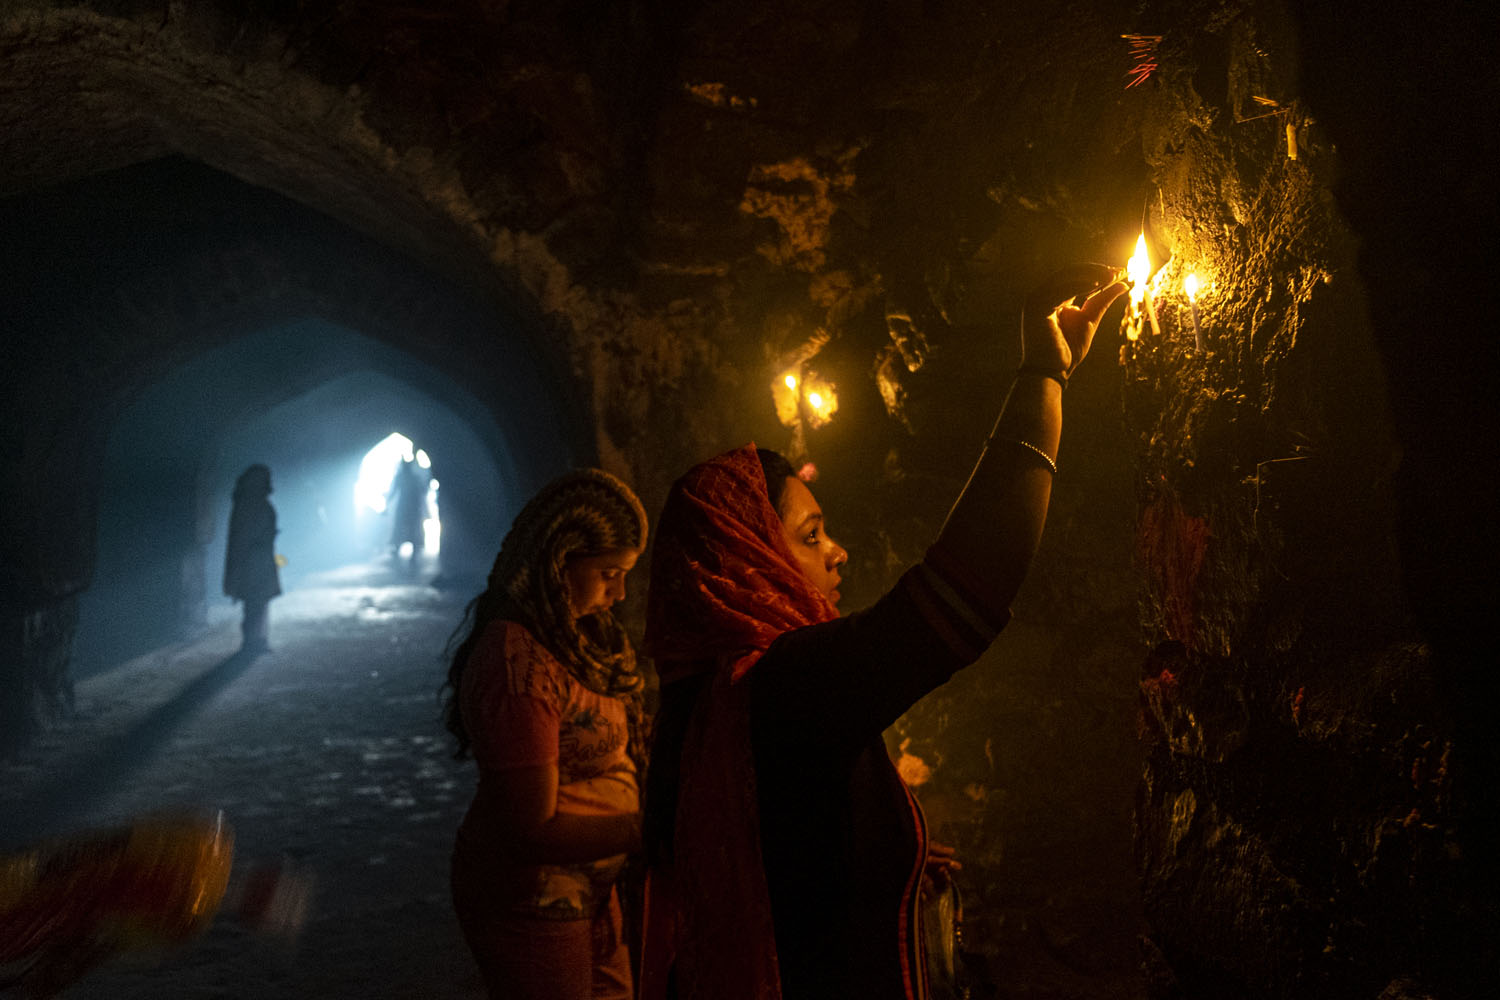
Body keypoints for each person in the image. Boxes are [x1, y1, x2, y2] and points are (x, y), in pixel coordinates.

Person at [638, 264, 1127, 999]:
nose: (838, 551)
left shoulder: (705, 706)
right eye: (809, 534)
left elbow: (793, 869)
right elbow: (962, 592)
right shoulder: (777, 690)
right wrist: (1042, 376)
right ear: (746, 565)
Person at [442, 469, 649, 1000]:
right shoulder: (518, 663)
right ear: (560, 562)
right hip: (531, 902)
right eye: (608, 573)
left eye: (626, 573)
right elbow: (529, 830)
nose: (620, 592)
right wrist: (652, 828)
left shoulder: (580, 639)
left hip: (590, 893)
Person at [222, 464, 280, 655]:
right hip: (252, 561)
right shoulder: (247, 503)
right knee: (254, 601)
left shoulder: (255, 502)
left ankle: (258, 639)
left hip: (260, 559)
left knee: (260, 601)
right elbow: (242, 535)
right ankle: (252, 641)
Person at [386, 456, 427, 567]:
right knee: (407, 530)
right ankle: (402, 550)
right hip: (411, 507)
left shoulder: (406, 478)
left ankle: (405, 551)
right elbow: (423, 491)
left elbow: (392, 493)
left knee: (407, 530)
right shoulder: (413, 478)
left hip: (407, 507)